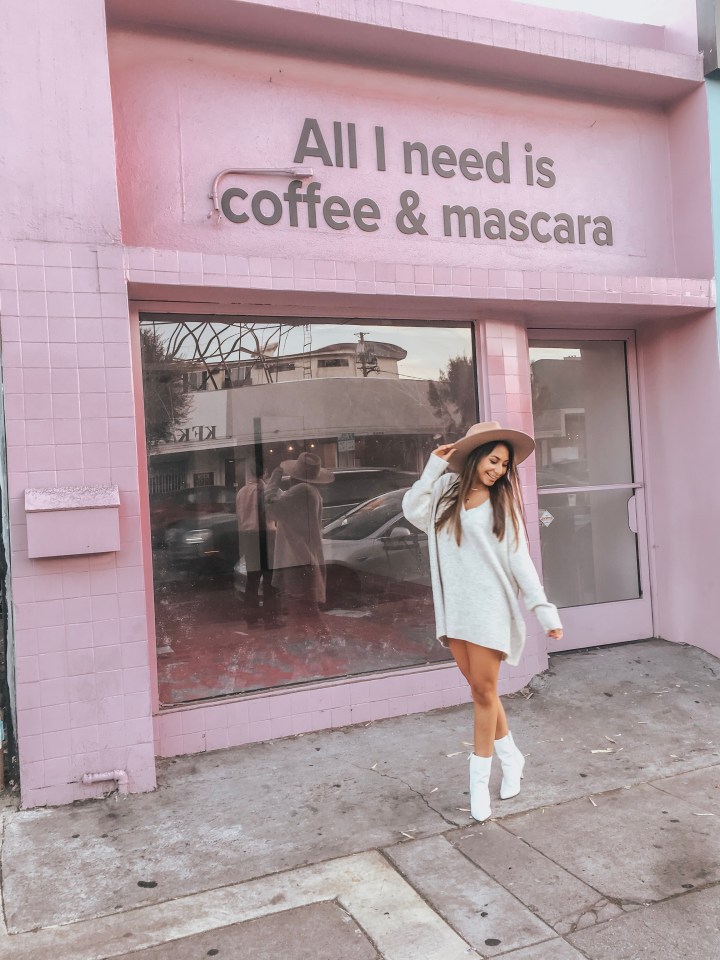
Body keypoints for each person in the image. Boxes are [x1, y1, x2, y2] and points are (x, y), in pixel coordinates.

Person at [402, 420, 563, 822]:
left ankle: (478, 784)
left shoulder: (501, 504)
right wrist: (433, 468)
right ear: (475, 456)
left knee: (483, 692)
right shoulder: (445, 491)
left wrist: (543, 609)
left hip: (490, 608)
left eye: (504, 465)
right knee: (481, 690)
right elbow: (412, 510)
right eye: (493, 460)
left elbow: (520, 560)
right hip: (455, 609)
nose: (498, 470)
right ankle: (512, 758)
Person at [265, 451, 334, 623]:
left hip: (297, 562)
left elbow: (271, 508)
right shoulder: (310, 492)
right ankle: (315, 638)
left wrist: (274, 479)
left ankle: (321, 639)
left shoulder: (301, 491)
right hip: (302, 560)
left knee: (303, 612)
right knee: (305, 613)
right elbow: (283, 504)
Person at [235, 460, 276, 622]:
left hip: (248, 537)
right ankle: (270, 615)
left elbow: (240, 518)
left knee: (252, 577)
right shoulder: (267, 490)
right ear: (264, 472)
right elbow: (273, 514)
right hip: (267, 536)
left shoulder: (241, 493)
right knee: (269, 577)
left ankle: (251, 617)